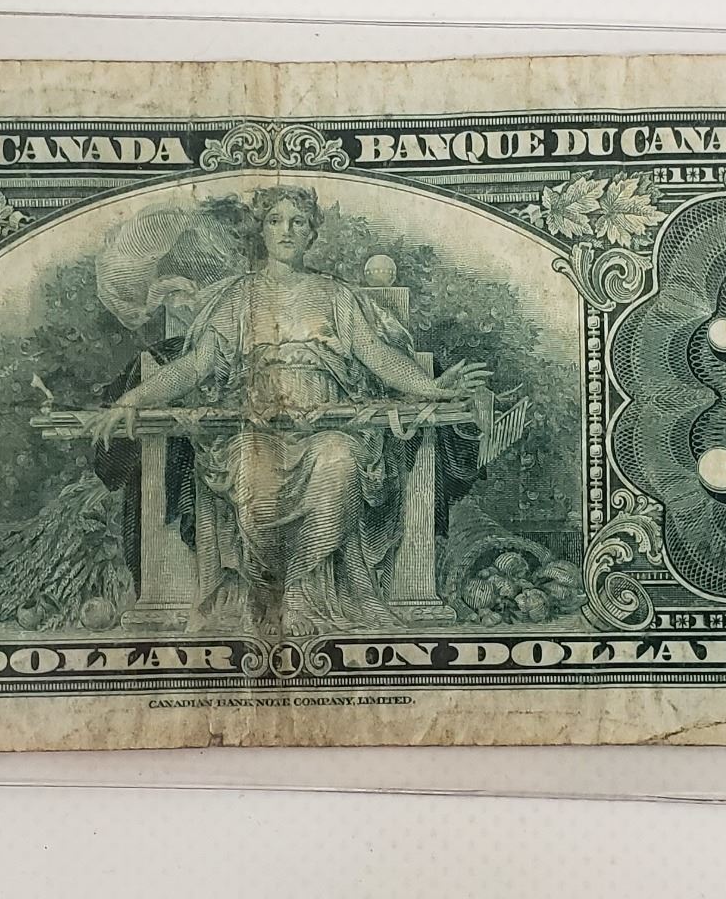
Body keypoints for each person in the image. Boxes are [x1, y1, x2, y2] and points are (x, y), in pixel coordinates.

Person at [88, 186, 490, 632]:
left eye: (298, 222)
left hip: (327, 429)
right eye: (275, 221)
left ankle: (300, 592)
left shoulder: (334, 295)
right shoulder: (239, 297)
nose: (286, 231)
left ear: (311, 233)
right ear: (261, 231)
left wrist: (430, 387)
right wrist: (131, 399)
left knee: (340, 462)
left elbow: (377, 355)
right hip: (255, 431)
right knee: (251, 474)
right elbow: (195, 365)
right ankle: (267, 595)